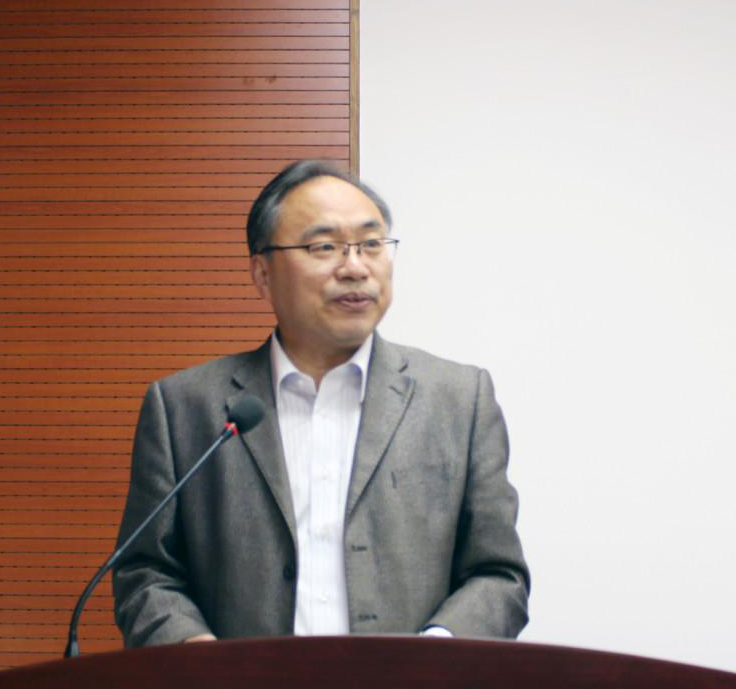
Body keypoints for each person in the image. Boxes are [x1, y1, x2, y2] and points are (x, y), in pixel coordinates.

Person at [113, 160, 530, 646]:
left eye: (371, 244)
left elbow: (499, 576)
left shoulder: (458, 400)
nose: (355, 267)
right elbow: (145, 574)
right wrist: (197, 655)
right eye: (324, 247)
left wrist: (433, 655)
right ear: (263, 273)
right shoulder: (184, 408)